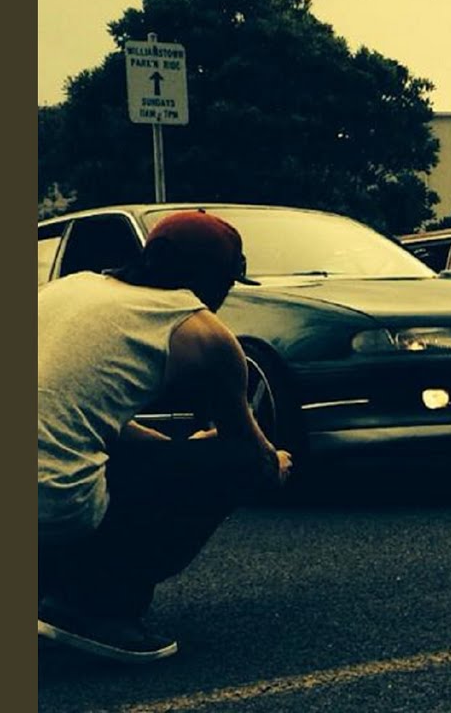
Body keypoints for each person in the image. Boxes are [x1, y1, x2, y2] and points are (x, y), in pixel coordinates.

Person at [37, 210, 293, 663]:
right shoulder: (202, 330)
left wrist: (172, 449)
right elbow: (248, 449)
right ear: (215, 279)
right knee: (238, 464)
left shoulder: (68, 288)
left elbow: (71, 410)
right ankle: (95, 606)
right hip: (50, 507)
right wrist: (274, 462)